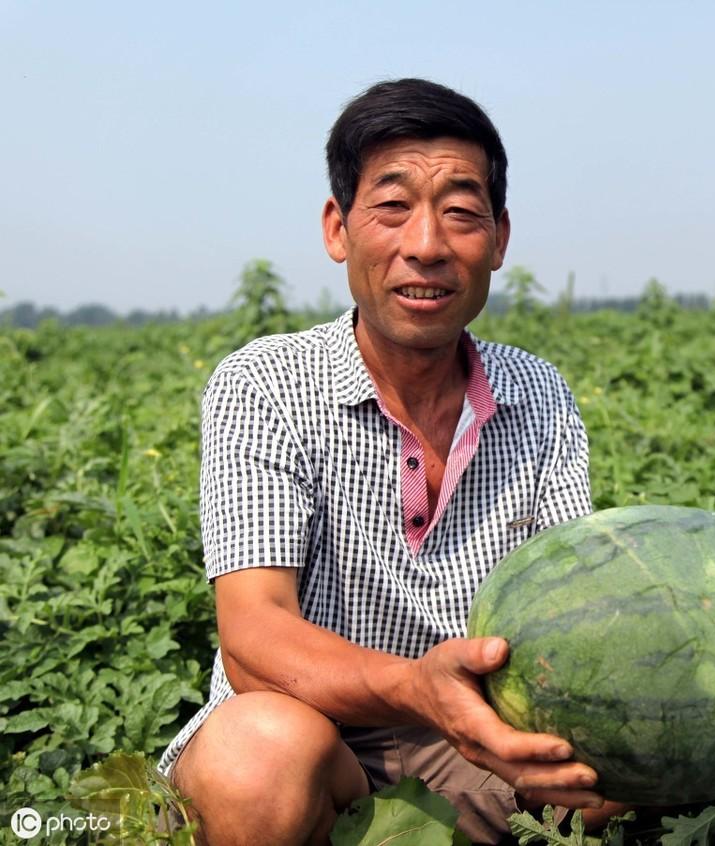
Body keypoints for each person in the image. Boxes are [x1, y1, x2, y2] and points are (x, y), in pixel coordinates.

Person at [157, 79, 617, 845]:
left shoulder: (537, 392)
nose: (428, 245)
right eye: (392, 207)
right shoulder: (266, 383)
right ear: (339, 228)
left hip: (484, 741)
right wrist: (417, 688)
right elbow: (254, 636)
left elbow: (573, 612)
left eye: (462, 213)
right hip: (316, 732)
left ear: (499, 239)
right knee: (256, 757)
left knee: (646, 771)